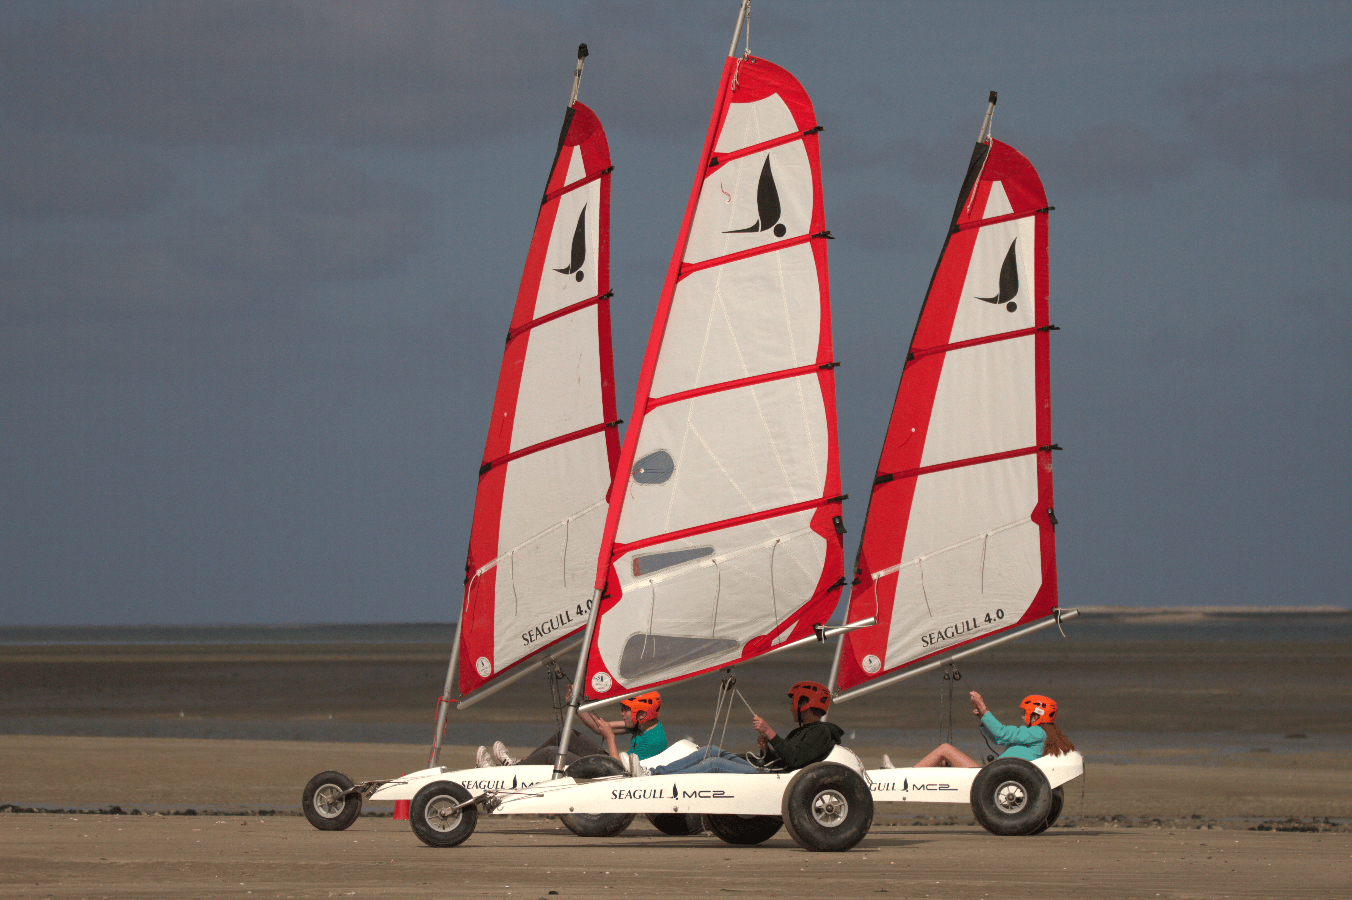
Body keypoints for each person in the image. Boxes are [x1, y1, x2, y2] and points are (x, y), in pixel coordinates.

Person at [633, 681, 843, 777]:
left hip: (773, 778)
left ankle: (658, 778)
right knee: (711, 750)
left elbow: (795, 761)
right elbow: (785, 755)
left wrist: (770, 732)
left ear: (804, 704)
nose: (790, 708)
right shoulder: (804, 731)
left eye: (793, 703)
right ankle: (655, 772)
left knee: (714, 763)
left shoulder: (821, 732)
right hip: (769, 769)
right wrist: (766, 749)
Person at [475, 690, 665, 768]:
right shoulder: (643, 724)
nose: (622, 713)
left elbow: (621, 772)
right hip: (612, 762)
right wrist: (576, 705)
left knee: (552, 754)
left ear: (642, 715)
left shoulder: (654, 741)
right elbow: (601, 727)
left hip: (610, 771)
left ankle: (504, 772)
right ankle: (520, 764)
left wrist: (610, 738)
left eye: (626, 710)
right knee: (565, 736)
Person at [901, 691, 1075, 768]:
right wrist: (982, 720)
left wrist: (984, 709)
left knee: (945, 749)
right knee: (945, 762)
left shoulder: (1038, 732)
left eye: (1025, 713)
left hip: (990, 778)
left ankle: (903, 778)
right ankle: (907, 775)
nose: (1022, 717)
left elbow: (1003, 733)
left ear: (1036, 716)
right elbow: (999, 739)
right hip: (994, 775)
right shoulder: (1043, 734)